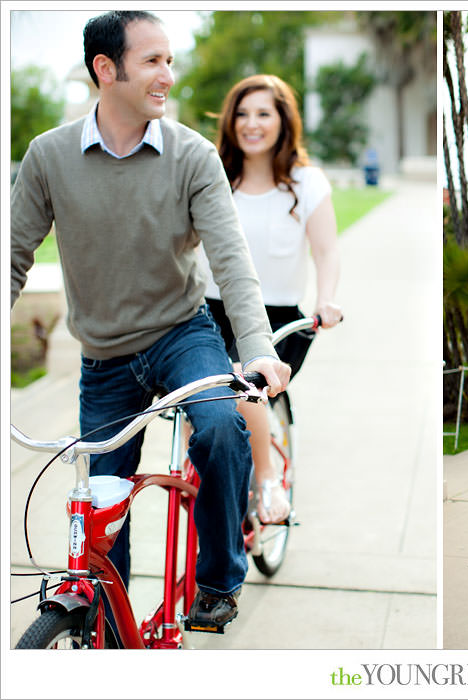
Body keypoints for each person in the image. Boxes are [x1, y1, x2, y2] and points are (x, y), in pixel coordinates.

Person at [10, 11, 291, 631]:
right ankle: (113, 628)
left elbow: (231, 260)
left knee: (220, 427)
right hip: (104, 356)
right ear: (105, 70)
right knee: (103, 505)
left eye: (170, 60)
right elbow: (12, 259)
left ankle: (219, 581)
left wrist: (257, 348)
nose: (168, 74)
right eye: (153, 61)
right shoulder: (48, 157)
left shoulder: (191, 154)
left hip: (180, 335)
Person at [195, 74, 342, 524]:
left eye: (263, 113)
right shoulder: (213, 173)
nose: (251, 124)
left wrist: (327, 300)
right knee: (200, 413)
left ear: (283, 120)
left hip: (277, 318)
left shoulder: (306, 182)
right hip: (210, 311)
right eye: (241, 114)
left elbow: (327, 250)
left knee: (245, 388)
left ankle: (267, 478)